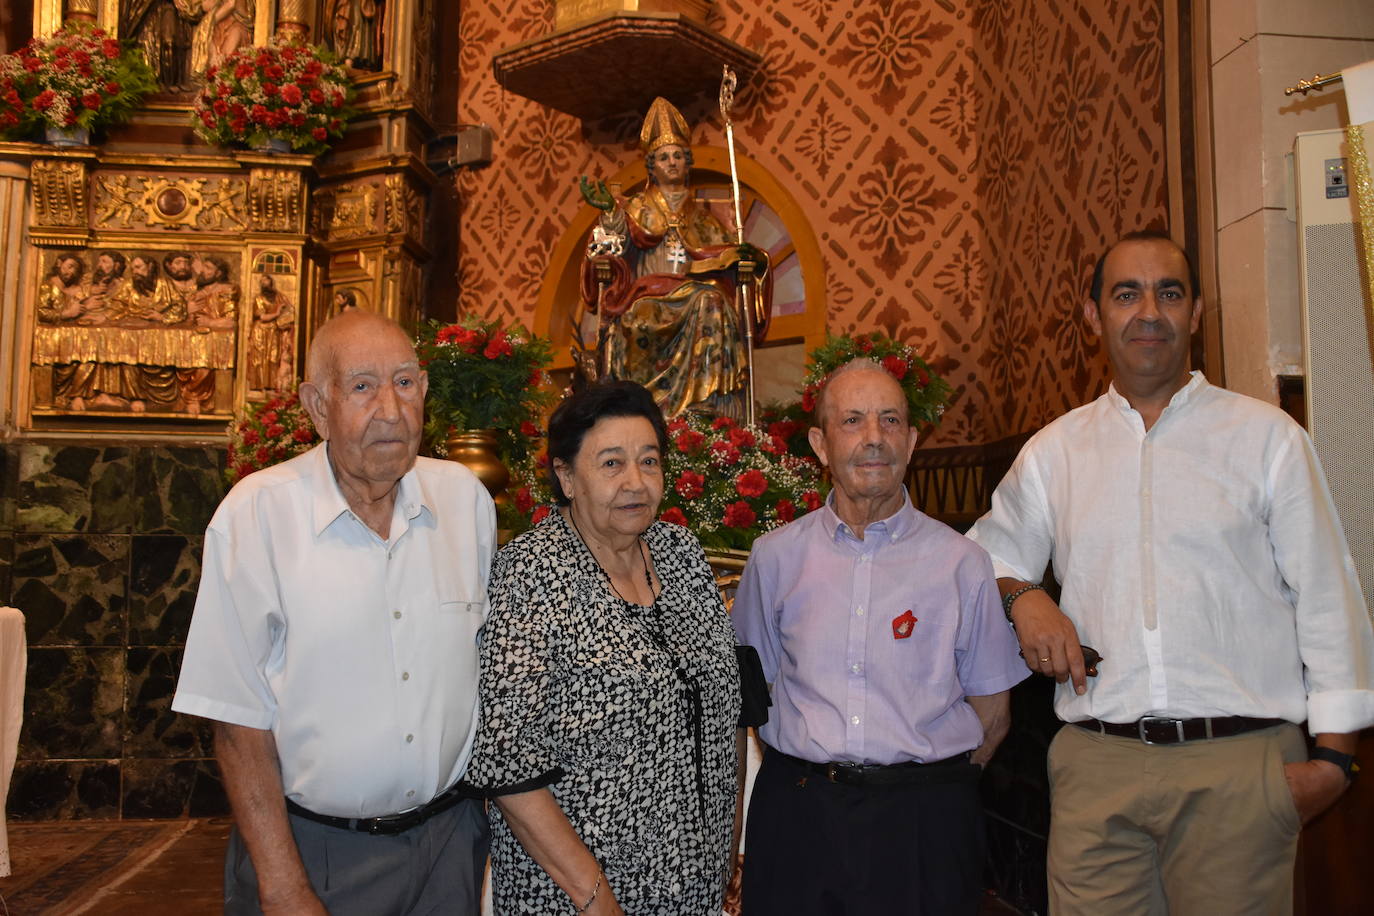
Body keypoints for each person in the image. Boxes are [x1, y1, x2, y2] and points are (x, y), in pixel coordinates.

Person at [966, 231, 1374, 914]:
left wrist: (1334, 761)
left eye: (1169, 293)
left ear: (1196, 312)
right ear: (1093, 316)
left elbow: (1328, 596)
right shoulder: (1054, 452)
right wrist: (1024, 596)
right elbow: (983, 555)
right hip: (1098, 768)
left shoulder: (1268, 439)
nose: (1148, 311)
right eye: (1126, 293)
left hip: (1239, 764)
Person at [172, 310, 495, 914]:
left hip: (449, 846)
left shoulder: (464, 502)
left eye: (404, 382)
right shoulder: (258, 516)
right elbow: (237, 721)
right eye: (363, 386)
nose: (392, 410)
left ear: (425, 391)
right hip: (315, 853)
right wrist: (283, 883)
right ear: (318, 407)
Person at [731, 358, 1029, 915]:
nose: (874, 439)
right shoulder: (775, 558)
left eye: (890, 421)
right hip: (799, 819)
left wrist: (928, 792)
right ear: (820, 444)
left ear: (913, 441)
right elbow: (750, 695)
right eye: (853, 421)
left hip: (923, 826)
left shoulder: (963, 563)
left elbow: (993, 712)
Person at [468, 380, 752, 914]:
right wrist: (595, 897)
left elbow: (726, 702)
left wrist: (724, 843)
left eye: (649, 461)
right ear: (567, 477)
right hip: (577, 895)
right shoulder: (532, 572)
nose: (636, 483)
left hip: (691, 883)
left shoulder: (681, 553)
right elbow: (507, 758)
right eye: (612, 463)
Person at [578, 97, 769, 419]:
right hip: (646, 296)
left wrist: (742, 260)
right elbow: (609, 251)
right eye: (663, 157)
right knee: (675, 307)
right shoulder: (636, 208)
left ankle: (704, 402)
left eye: (678, 156)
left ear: (687, 162)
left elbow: (719, 257)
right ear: (652, 165)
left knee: (712, 302)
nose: (671, 162)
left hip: (692, 294)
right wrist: (610, 217)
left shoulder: (703, 218)